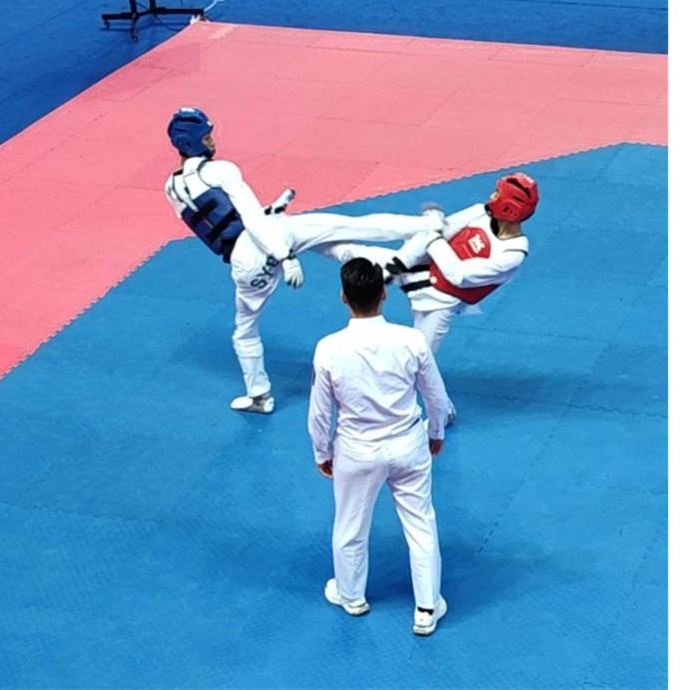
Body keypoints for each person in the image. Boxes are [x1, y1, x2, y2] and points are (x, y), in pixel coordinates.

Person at [163, 107, 447, 414]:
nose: (212, 141)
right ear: (191, 141)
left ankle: (258, 395)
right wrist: (284, 256)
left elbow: (217, 224)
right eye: (206, 137)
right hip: (271, 240)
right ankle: (428, 228)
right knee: (346, 229)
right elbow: (251, 219)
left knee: (244, 330)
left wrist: (270, 214)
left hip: (244, 265)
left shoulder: (171, 189)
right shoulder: (221, 170)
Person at [319, 172, 539, 420]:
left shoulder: (511, 253)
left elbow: (458, 274)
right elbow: (441, 232)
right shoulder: (480, 212)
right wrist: (404, 258)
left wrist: (432, 231)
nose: (492, 196)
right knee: (351, 253)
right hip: (414, 267)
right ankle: (298, 237)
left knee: (418, 364)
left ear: (510, 208)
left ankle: (443, 413)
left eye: (498, 194)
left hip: (439, 303)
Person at [308, 258, 449, 636]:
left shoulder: (329, 349)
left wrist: (322, 451)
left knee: (350, 525)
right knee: (421, 523)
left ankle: (352, 596)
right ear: (384, 293)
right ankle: (426, 607)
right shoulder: (412, 340)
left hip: (357, 450)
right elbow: (436, 396)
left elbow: (319, 412)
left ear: (343, 296)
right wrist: (436, 430)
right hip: (408, 444)